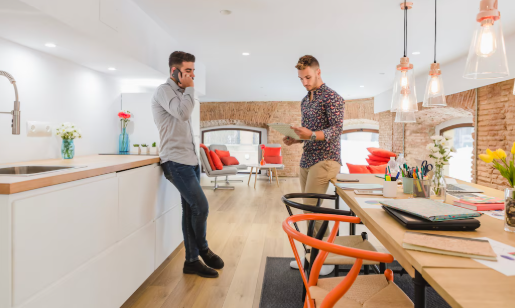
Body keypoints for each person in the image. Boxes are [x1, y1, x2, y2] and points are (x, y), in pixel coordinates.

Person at [151, 51, 224, 278]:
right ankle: (202, 249)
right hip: (175, 162)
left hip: (190, 161)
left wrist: (188, 89)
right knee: (201, 207)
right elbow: (182, 115)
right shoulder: (164, 91)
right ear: (175, 71)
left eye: (194, 70)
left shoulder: (184, 93)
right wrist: (191, 88)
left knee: (189, 211)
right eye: (188, 70)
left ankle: (191, 261)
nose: (193, 75)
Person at [284, 55, 345, 274]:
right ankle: (312, 255)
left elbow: (336, 130)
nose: (304, 82)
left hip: (326, 158)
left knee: (312, 209)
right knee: (310, 210)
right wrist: (295, 138)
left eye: (307, 77)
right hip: (307, 158)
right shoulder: (305, 100)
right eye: (301, 79)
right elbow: (308, 134)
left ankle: (323, 259)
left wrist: (310, 134)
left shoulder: (332, 97)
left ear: (318, 72)